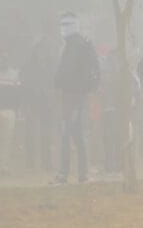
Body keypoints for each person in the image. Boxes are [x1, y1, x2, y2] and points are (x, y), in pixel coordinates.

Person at [53, 12, 100, 184]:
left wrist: (58, 85)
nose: (63, 28)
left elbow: (66, 71)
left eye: (65, 24)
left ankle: (64, 173)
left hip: (72, 95)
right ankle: (82, 174)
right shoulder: (78, 44)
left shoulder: (74, 45)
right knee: (77, 134)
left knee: (66, 133)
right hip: (78, 95)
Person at [20, 37, 56, 171]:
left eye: (45, 49)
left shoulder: (51, 64)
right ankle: (30, 163)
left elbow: (54, 82)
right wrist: (26, 103)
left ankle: (46, 162)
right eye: (40, 48)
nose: (42, 51)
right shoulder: (29, 65)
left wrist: (51, 96)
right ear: (36, 50)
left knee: (46, 134)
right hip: (32, 102)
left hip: (47, 104)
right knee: (30, 134)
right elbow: (24, 83)